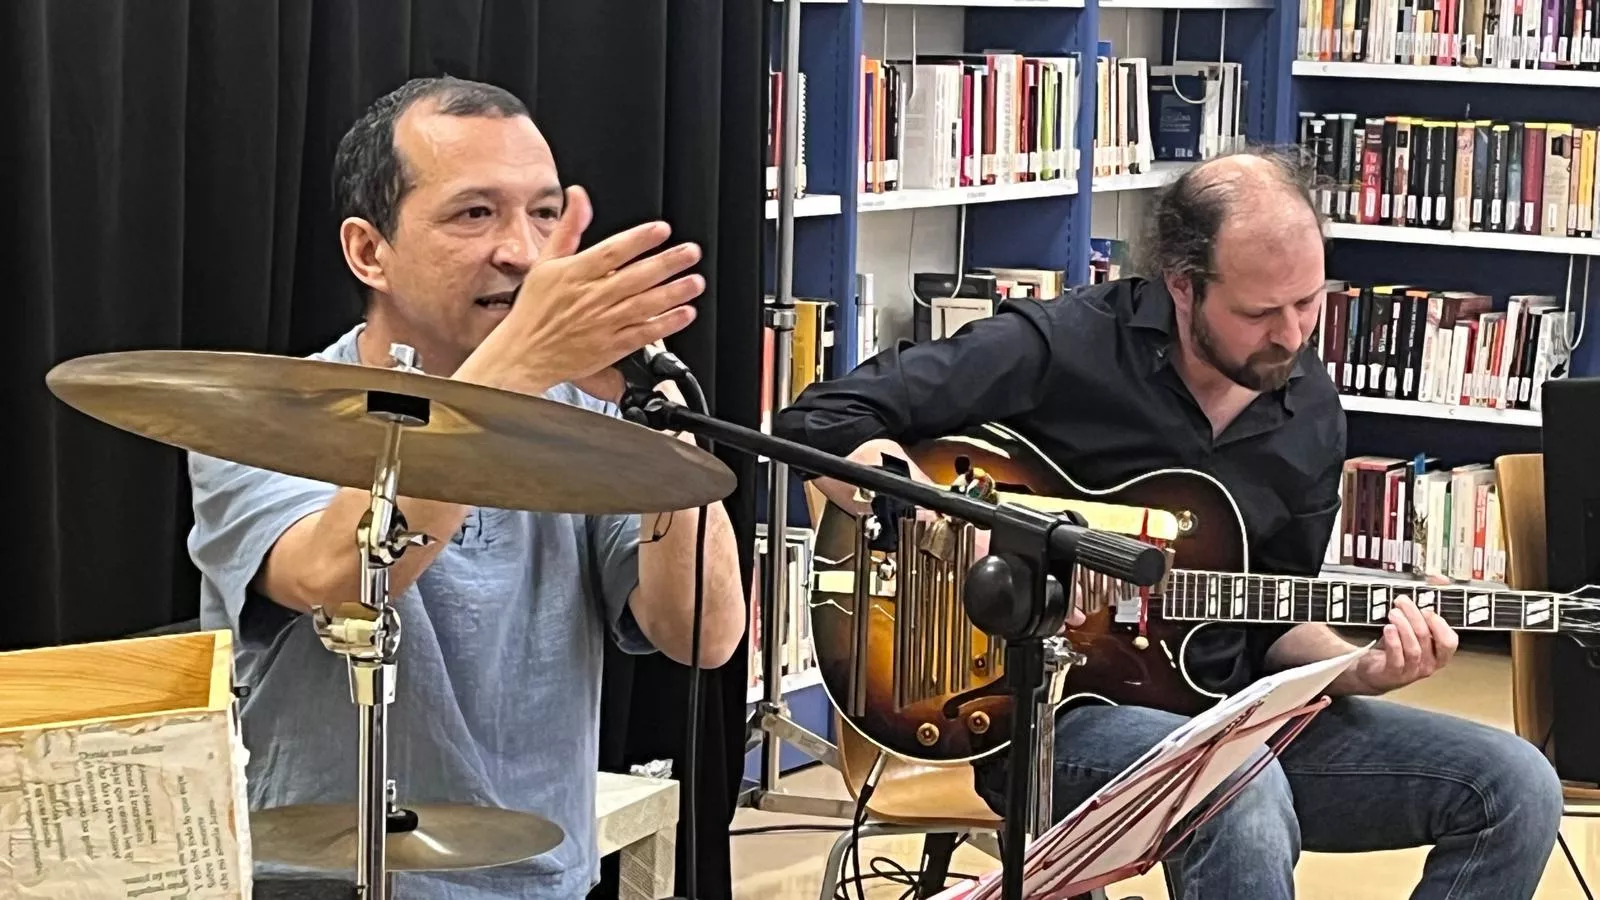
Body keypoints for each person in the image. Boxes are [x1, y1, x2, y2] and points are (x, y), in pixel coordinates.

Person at [772, 150, 1564, 899]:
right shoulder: (1065, 344)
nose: (1292, 336)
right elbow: (822, 419)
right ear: (1183, 287)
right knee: (1236, 785)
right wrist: (954, 526)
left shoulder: (1311, 410)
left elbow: (1274, 620)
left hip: (1231, 713)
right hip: (1046, 715)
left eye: (1309, 302)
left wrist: (1359, 669)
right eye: (1260, 312)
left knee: (1516, 785)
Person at [187, 76, 745, 899]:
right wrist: (512, 371)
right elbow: (340, 583)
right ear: (368, 251)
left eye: (545, 214)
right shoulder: (260, 417)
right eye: (474, 213)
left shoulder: (580, 415)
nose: (521, 251)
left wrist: (656, 413)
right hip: (319, 880)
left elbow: (704, 633)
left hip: (537, 879)